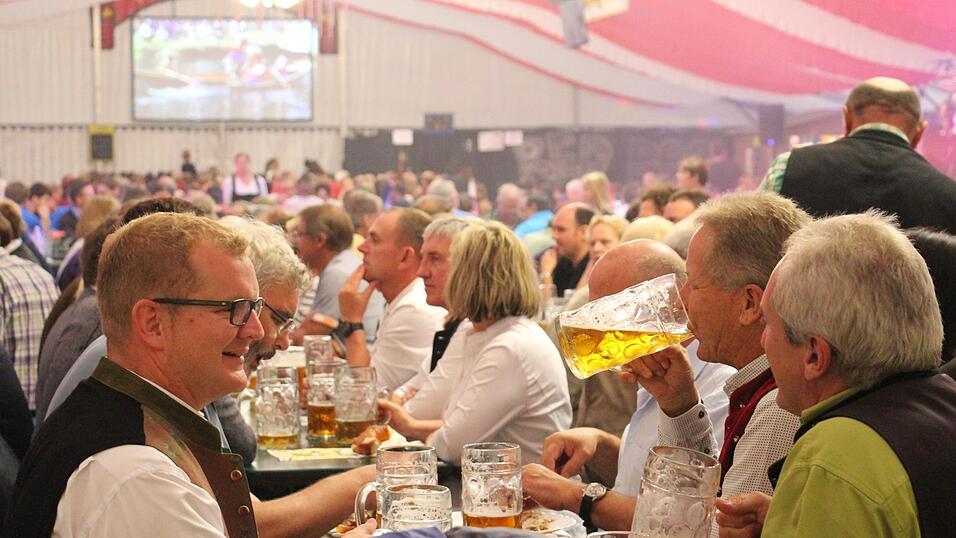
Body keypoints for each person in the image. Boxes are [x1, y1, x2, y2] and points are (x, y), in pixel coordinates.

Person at [5, 213, 265, 537]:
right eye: (235, 309)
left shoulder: (118, 418)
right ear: (152, 323)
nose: (257, 330)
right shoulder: (136, 473)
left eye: (256, 307)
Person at [717, 212, 956, 538]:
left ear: (815, 355)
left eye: (768, 323)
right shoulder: (945, 401)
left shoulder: (833, 458)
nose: (762, 341)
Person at [623, 193, 810, 531]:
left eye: (694, 285)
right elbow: (701, 498)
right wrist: (679, 404)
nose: (682, 301)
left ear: (750, 303)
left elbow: (698, 527)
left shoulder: (779, 404)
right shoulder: (763, 387)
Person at [521, 240, 733, 531]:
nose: (595, 324)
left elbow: (688, 518)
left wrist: (573, 495)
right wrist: (602, 445)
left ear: (667, 302)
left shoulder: (720, 387)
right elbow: (649, 480)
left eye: (607, 310)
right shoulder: (656, 367)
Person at [380, 222, 571, 464]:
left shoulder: (511, 348)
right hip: (490, 489)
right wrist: (422, 427)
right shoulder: (479, 331)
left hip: (523, 498)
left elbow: (450, 446)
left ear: (475, 278)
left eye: (442, 262)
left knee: (367, 480)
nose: (421, 273)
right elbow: (448, 428)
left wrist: (417, 428)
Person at [761, 76, 956, 234]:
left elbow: (752, 241)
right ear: (919, 132)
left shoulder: (788, 166)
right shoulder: (949, 195)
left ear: (846, 118)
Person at [338, 208, 446, 390]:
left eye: (374, 240)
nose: (361, 247)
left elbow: (363, 394)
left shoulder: (413, 310)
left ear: (404, 257)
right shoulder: (402, 298)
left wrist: (351, 321)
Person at [393, 217, 478, 406]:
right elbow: (404, 392)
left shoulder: (476, 327)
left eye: (435, 259)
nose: (421, 271)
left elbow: (417, 412)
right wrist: (406, 398)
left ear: (467, 266)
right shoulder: (456, 324)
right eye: (423, 258)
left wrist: (352, 322)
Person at [292, 204, 384, 345]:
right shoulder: (345, 263)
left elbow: (305, 338)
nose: (295, 241)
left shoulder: (336, 273)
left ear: (319, 240)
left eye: (299, 234)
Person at [540, 203, 595, 297]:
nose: (554, 236)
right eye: (553, 229)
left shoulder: (594, 265)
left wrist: (546, 275)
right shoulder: (557, 261)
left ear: (583, 232)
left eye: (561, 230)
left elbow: (574, 308)